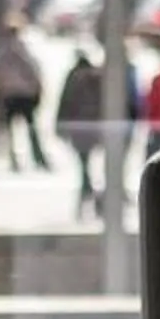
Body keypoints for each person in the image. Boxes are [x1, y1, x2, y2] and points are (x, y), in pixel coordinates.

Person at [0, 19, 50, 170]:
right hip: (24, 94)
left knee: (11, 130)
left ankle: (15, 159)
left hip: (9, 94)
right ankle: (38, 157)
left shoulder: (2, 52)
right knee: (31, 128)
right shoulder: (23, 49)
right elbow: (34, 70)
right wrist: (37, 88)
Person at [55, 45, 103, 216]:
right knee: (90, 164)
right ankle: (91, 192)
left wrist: (59, 125)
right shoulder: (97, 77)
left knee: (84, 162)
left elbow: (65, 101)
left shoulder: (74, 76)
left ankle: (88, 191)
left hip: (78, 127)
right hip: (95, 127)